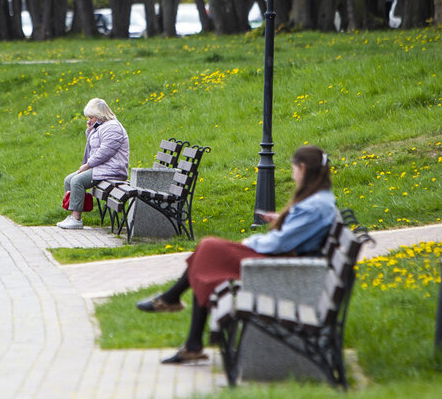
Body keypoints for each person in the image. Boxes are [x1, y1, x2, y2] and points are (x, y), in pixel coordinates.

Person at [136, 145, 337, 364]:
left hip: (283, 267)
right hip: (289, 262)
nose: (292, 174)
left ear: (303, 168)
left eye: (293, 169)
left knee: (208, 249)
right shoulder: (321, 200)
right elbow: (296, 233)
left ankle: (172, 302)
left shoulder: (314, 205)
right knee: (206, 258)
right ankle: (181, 320)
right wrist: (283, 219)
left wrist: (250, 241)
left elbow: (280, 242)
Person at [57, 98, 129, 230]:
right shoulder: (100, 127)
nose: (88, 120)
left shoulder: (113, 127)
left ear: (100, 116)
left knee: (77, 181)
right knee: (69, 180)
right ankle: (73, 215)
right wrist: (90, 130)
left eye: (91, 117)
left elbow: (104, 152)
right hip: (102, 168)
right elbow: (93, 148)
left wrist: (87, 165)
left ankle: (76, 219)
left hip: (112, 169)